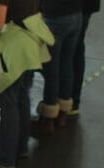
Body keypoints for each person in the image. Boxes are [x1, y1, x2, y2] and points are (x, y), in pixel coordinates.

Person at [0, 0, 51, 168]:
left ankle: (5, 158)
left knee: (8, 103)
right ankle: (20, 147)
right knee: (22, 98)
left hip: (13, 48)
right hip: (30, 44)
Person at [36, 0, 84, 131]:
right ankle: (63, 112)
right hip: (76, 14)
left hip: (55, 17)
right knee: (66, 64)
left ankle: (49, 115)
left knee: (51, 69)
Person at [69, 0, 99, 118]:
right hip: (84, 6)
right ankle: (72, 102)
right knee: (76, 49)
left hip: (65, 8)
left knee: (68, 53)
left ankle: (57, 102)